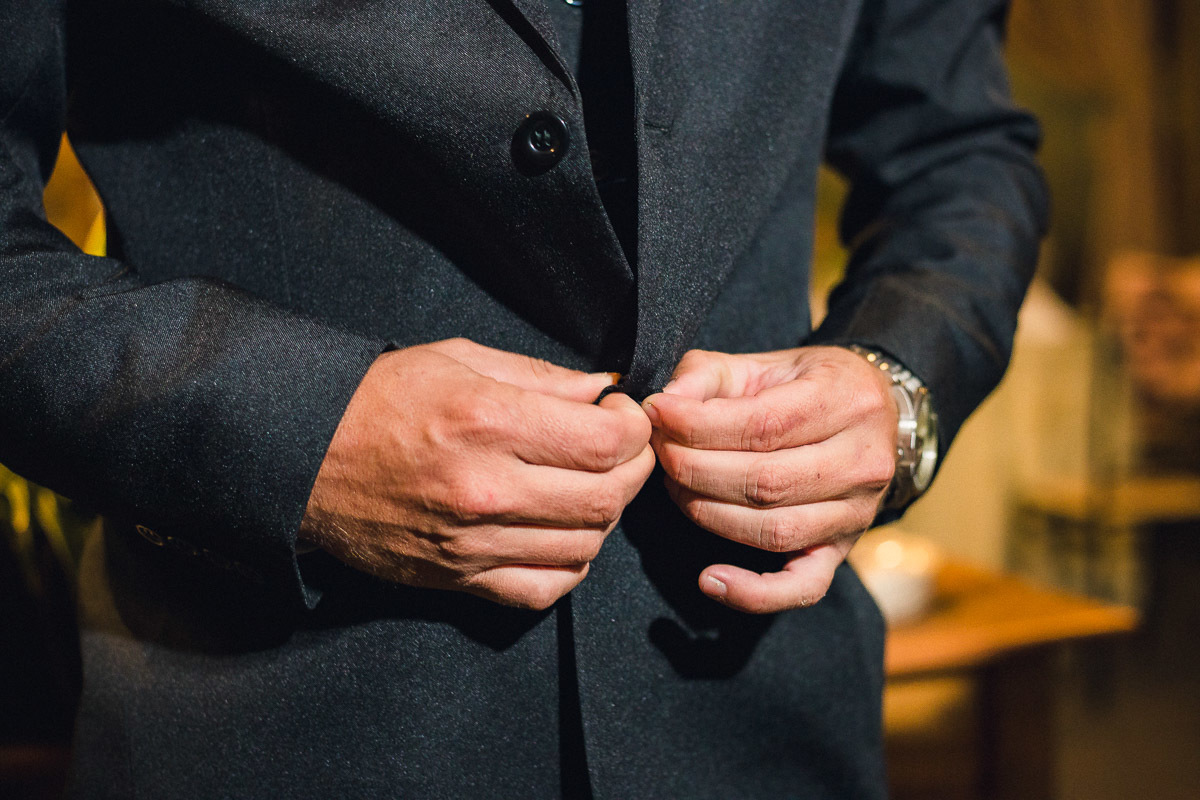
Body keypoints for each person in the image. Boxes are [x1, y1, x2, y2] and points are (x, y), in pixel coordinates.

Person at [0, 0, 1046, 797]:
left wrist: (901, 379)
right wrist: (294, 429)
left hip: (762, 723)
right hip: (274, 726)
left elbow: (959, 151)